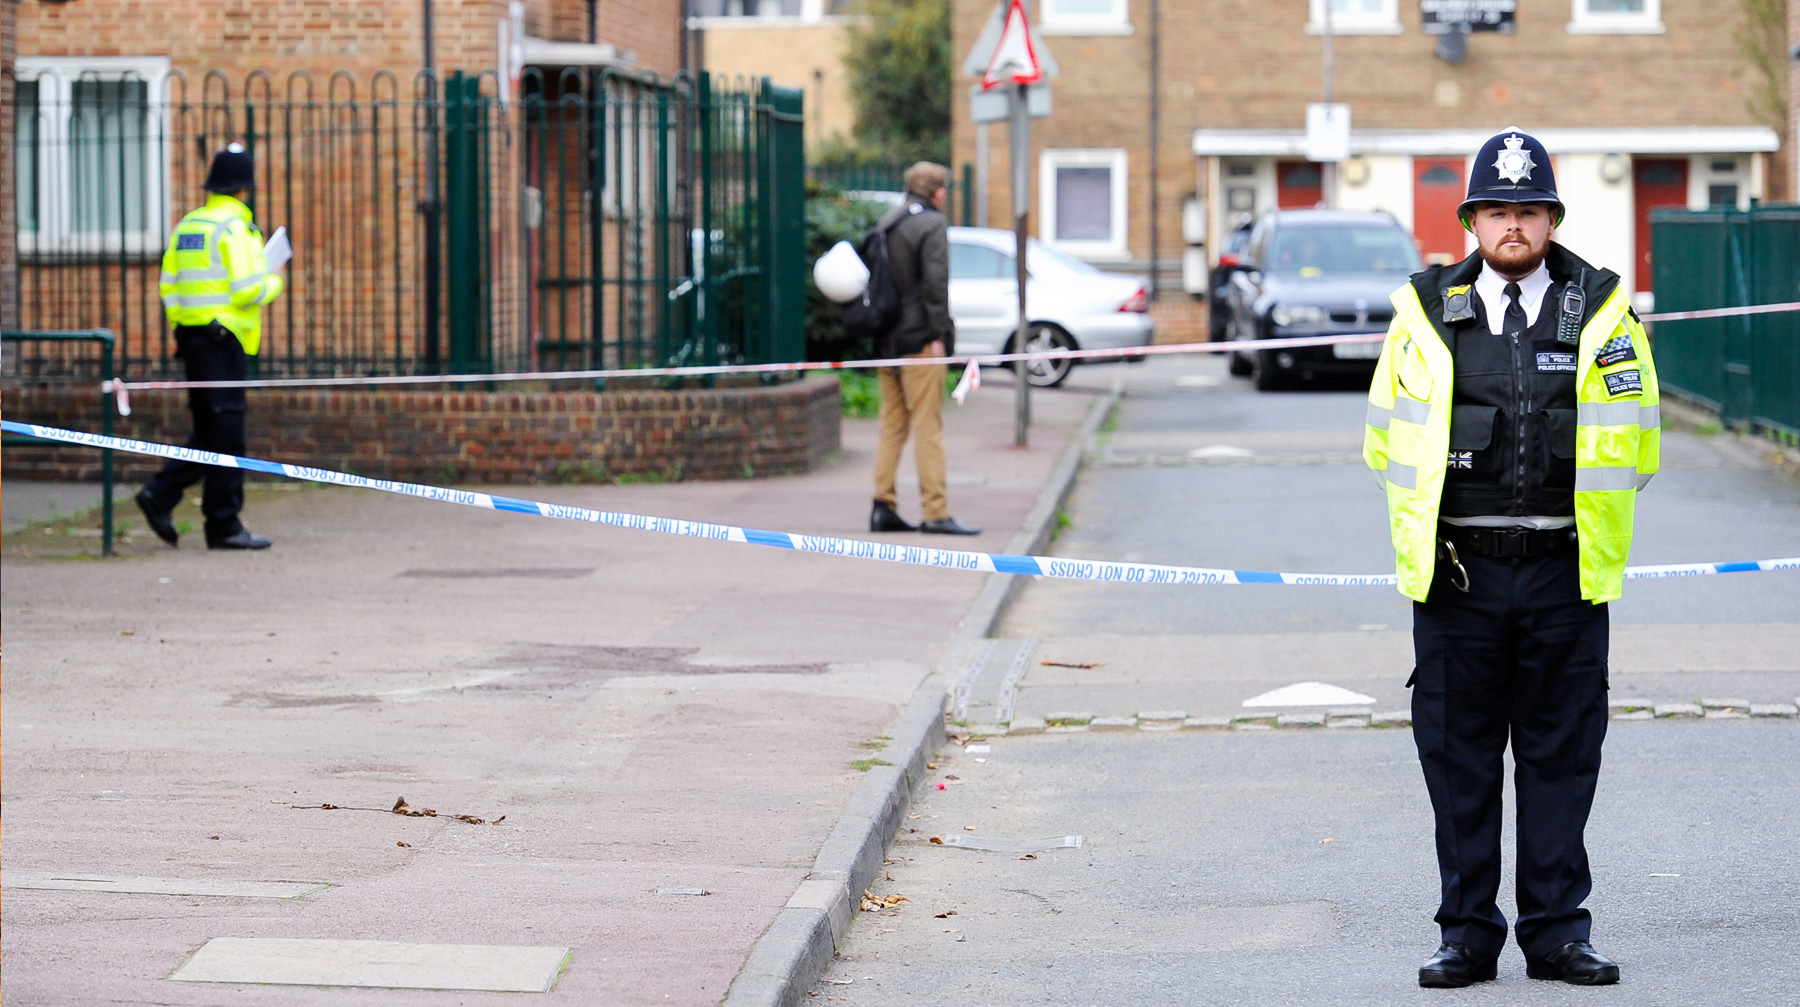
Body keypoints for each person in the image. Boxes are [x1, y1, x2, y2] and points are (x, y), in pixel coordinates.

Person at [1363, 128, 1660, 989]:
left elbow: (1637, 443)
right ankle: (1466, 935)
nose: (1514, 225)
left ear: (1552, 218)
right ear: (1473, 220)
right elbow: (1386, 438)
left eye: (1529, 210)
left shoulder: (1601, 311)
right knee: (1458, 760)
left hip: (1565, 573)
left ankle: (1559, 933)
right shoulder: (1425, 312)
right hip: (1460, 574)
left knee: (1561, 756)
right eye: (1498, 210)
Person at [135, 143, 285, 550]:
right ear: (244, 189)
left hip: (192, 340)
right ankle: (222, 524)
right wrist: (276, 279)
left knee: (209, 429)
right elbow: (246, 289)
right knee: (228, 434)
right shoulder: (236, 228)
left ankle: (163, 497)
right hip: (224, 341)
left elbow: (168, 286)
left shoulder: (189, 225)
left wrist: (184, 328)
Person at [869, 161, 979, 536]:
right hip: (919, 342)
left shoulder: (887, 221)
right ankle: (936, 511)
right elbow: (936, 285)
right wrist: (940, 336)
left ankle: (882, 505)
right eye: (944, 189)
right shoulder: (931, 223)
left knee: (892, 426)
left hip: (887, 341)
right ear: (937, 192)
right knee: (928, 427)